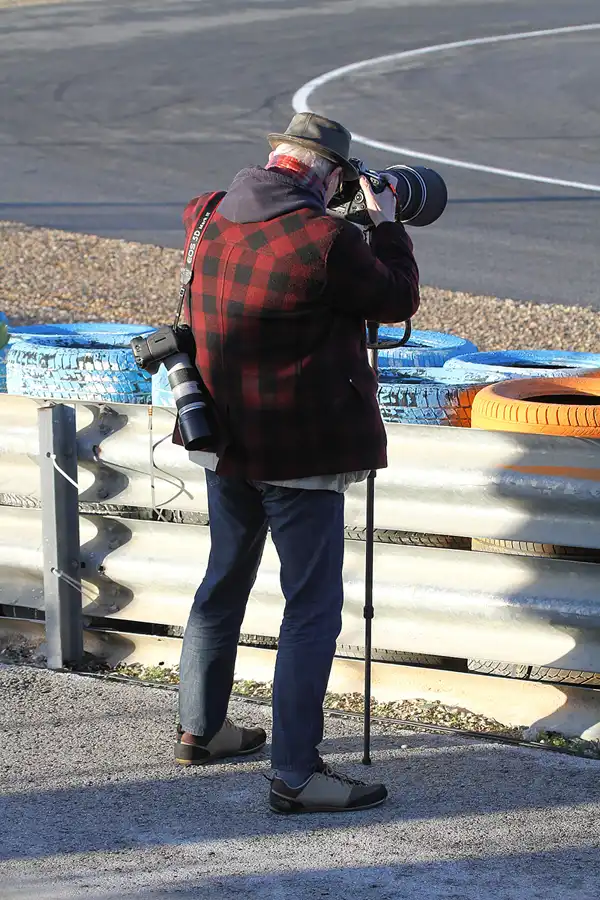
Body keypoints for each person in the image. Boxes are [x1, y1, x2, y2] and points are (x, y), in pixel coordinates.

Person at [173, 112, 420, 814]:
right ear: (333, 175)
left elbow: (274, 239)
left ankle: (202, 729)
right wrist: (387, 223)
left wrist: (347, 209)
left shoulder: (206, 214)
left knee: (222, 584)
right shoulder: (329, 240)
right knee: (311, 610)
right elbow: (397, 295)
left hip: (223, 440)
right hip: (302, 453)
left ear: (276, 157)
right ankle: (294, 773)